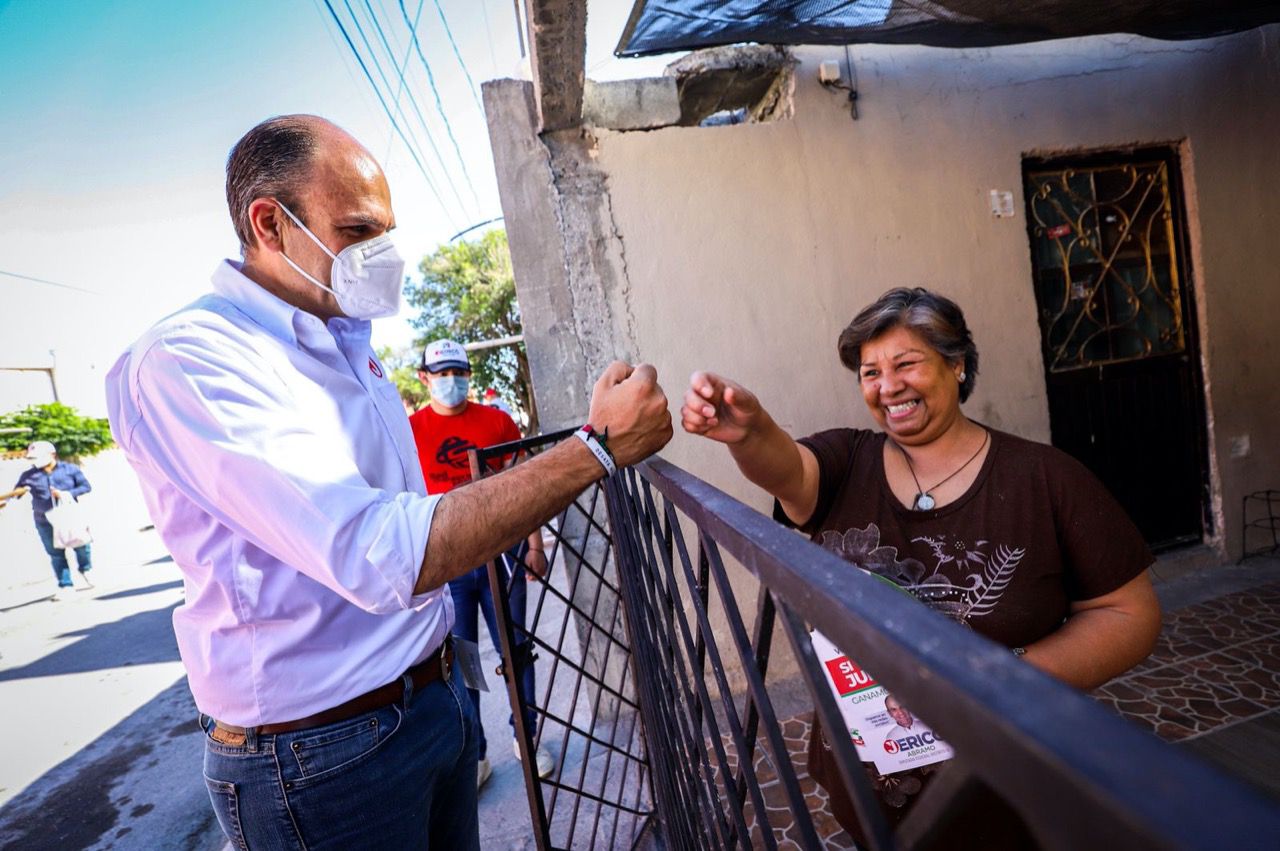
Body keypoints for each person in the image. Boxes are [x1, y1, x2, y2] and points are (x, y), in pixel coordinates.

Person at [104, 114, 672, 851]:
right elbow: (379, 552)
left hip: (428, 701)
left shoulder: (347, 343)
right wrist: (594, 449)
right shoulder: (193, 360)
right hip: (321, 758)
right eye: (359, 230)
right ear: (270, 224)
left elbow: (404, 510)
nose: (383, 255)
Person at [681, 286, 1161, 848]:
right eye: (869, 372)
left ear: (957, 365)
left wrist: (1002, 677)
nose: (888, 387)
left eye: (906, 363)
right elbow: (787, 468)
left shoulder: (1046, 479)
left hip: (999, 785)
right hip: (867, 781)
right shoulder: (847, 461)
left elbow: (1130, 614)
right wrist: (750, 431)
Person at [410, 337, 554, 788]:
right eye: (442, 374)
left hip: (504, 555)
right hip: (451, 567)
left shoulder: (497, 422)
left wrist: (535, 544)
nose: (452, 382)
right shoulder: (410, 429)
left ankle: (527, 737)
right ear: (425, 379)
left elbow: (524, 484)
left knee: (515, 647)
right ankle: (476, 751)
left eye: (459, 373)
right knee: (464, 657)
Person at [1, 440, 93, 600]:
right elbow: (17, 492)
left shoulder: (70, 469)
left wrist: (66, 493)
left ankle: (85, 569)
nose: (35, 460)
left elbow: (86, 487)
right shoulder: (28, 476)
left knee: (81, 545)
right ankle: (65, 585)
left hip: (69, 516)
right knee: (55, 553)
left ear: (52, 454)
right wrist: (5, 501)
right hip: (44, 520)